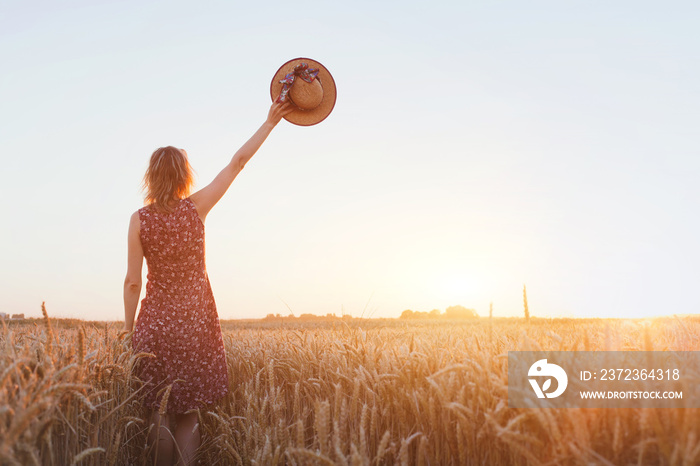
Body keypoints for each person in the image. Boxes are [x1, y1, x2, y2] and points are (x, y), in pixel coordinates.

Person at [123, 100, 293, 465]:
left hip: (155, 328)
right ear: (184, 175)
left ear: (151, 178)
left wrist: (128, 332)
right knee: (188, 413)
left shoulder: (139, 220)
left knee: (158, 410)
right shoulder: (197, 208)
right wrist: (269, 123)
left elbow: (132, 283)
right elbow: (237, 163)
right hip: (195, 326)